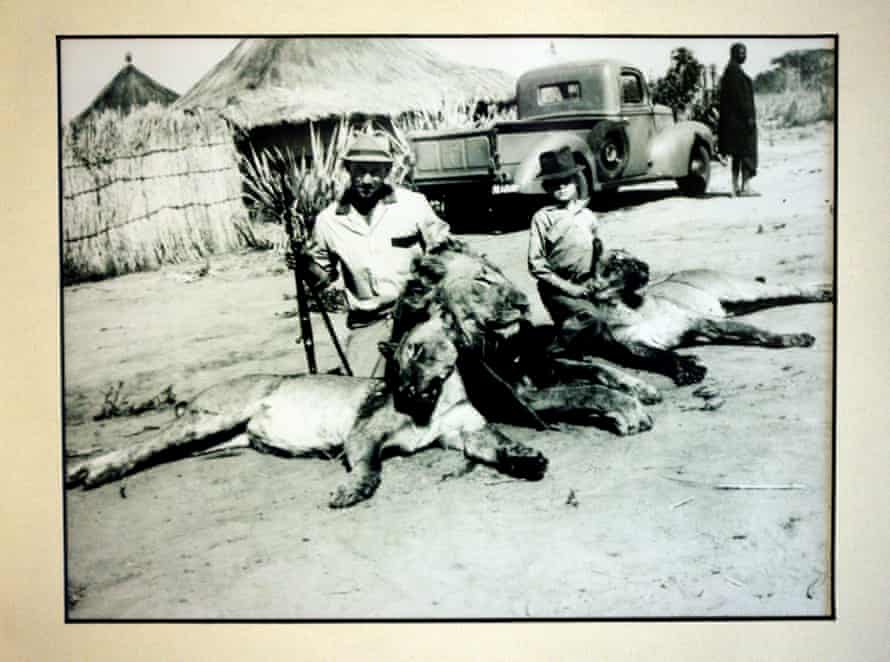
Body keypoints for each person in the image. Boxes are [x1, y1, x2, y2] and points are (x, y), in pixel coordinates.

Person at [290, 132, 452, 377]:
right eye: (360, 171)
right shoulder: (328, 221)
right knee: (365, 397)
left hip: (420, 318)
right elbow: (321, 279)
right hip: (368, 323)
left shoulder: (413, 205)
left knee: (433, 387)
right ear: (347, 170)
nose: (367, 179)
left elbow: (446, 254)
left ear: (387, 171)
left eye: (375, 171)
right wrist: (305, 264)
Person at [527, 146, 603, 337]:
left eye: (566, 182)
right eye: (555, 184)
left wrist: (597, 279)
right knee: (592, 319)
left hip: (586, 285)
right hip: (558, 289)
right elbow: (536, 264)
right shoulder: (543, 217)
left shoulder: (587, 215)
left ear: (576, 182)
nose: (561, 188)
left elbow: (598, 253)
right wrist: (570, 288)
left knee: (617, 319)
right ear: (547, 187)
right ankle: (553, 352)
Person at [719, 42, 759, 197]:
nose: (744, 56)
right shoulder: (735, 74)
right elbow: (740, 100)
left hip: (732, 123)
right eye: (741, 53)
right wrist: (749, 117)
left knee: (737, 155)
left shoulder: (729, 72)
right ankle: (745, 187)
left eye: (745, 53)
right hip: (741, 122)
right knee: (747, 153)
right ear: (734, 54)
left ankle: (735, 187)